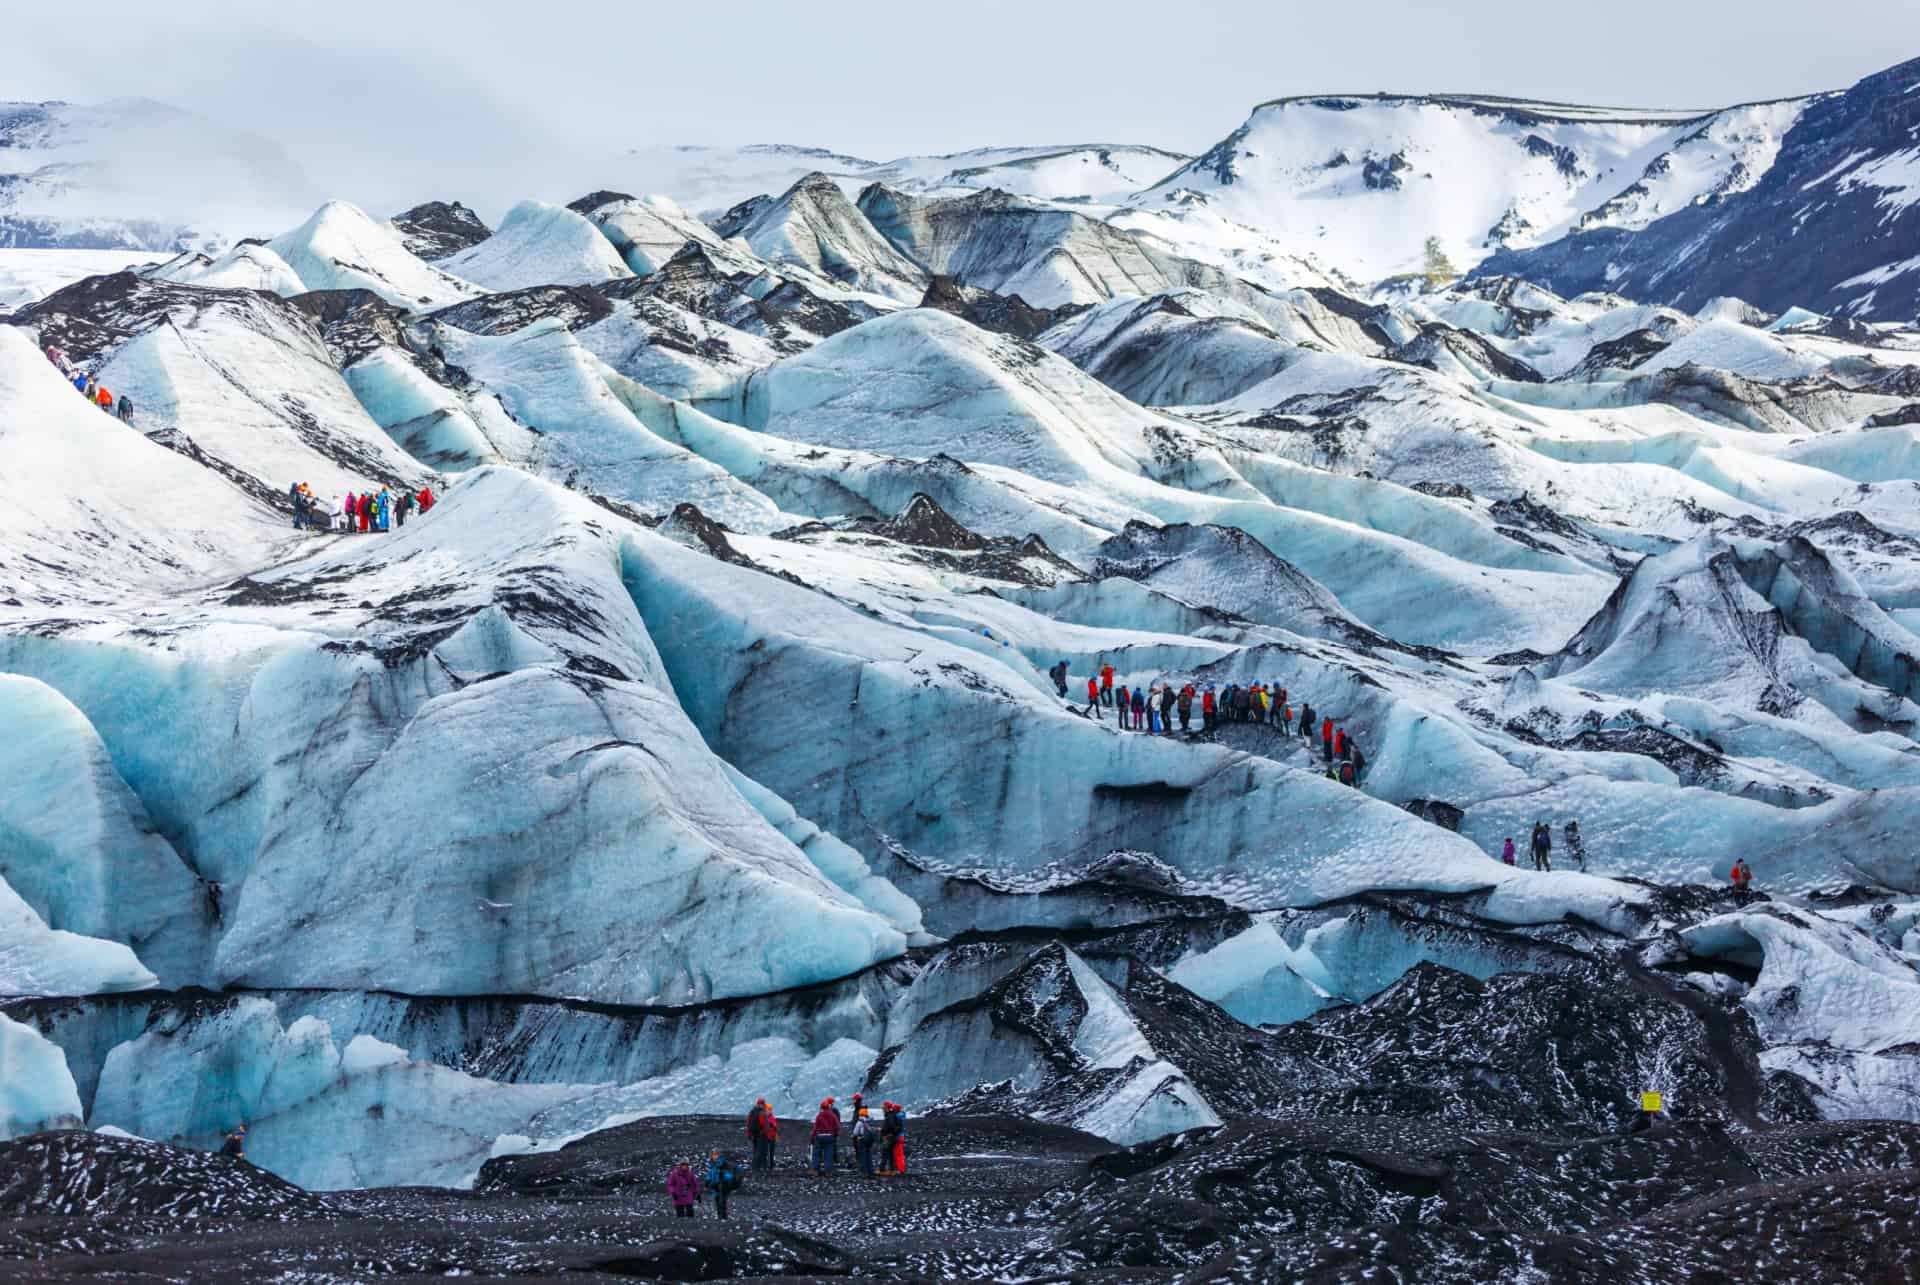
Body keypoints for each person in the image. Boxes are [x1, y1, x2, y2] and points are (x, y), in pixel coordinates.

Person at [705, 1150, 740, 1219]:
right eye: (713, 1155)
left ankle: (723, 1217)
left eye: (716, 1154)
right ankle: (720, 1216)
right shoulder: (713, 1164)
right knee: (717, 1202)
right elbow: (711, 1173)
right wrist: (708, 1181)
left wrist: (723, 1177)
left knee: (722, 1202)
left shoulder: (723, 1164)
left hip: (723, 1186)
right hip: (715, 1186)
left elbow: (729, 1175)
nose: (715, 1156)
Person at [811, 1098, 840, 1175]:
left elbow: (815, 1127)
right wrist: (835, 1134)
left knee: (816, 1153)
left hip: (819, 1136)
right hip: (830, 1137)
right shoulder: (833, 1115)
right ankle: (828, 1171)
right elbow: (837, 1126)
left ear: (821, 1107)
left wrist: (812, 1137)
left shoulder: (819, 1115)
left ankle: (815, 1170)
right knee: (828, 1154)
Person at [746, 1099, 776, 1171]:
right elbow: (766, 1126)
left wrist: (749, 1135)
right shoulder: (762, 1113)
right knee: (762, 1151)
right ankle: (761, 1167)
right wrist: (768, 1135)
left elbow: (748, 1124)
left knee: (755, 1150)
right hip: (762, 1135)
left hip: (754, 1135)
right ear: (763, 1104)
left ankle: (755, 1167)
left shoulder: (752, 1112)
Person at [851, 1105, 876, 1176]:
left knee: (863, 1155)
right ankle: (870, 1170)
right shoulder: (871, 1120)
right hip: (870, 1140)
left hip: (862, 1140)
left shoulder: (860, 1121)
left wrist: (855, 1136)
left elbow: (855, 1133)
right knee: (869, 1154)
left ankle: (864, 1171)